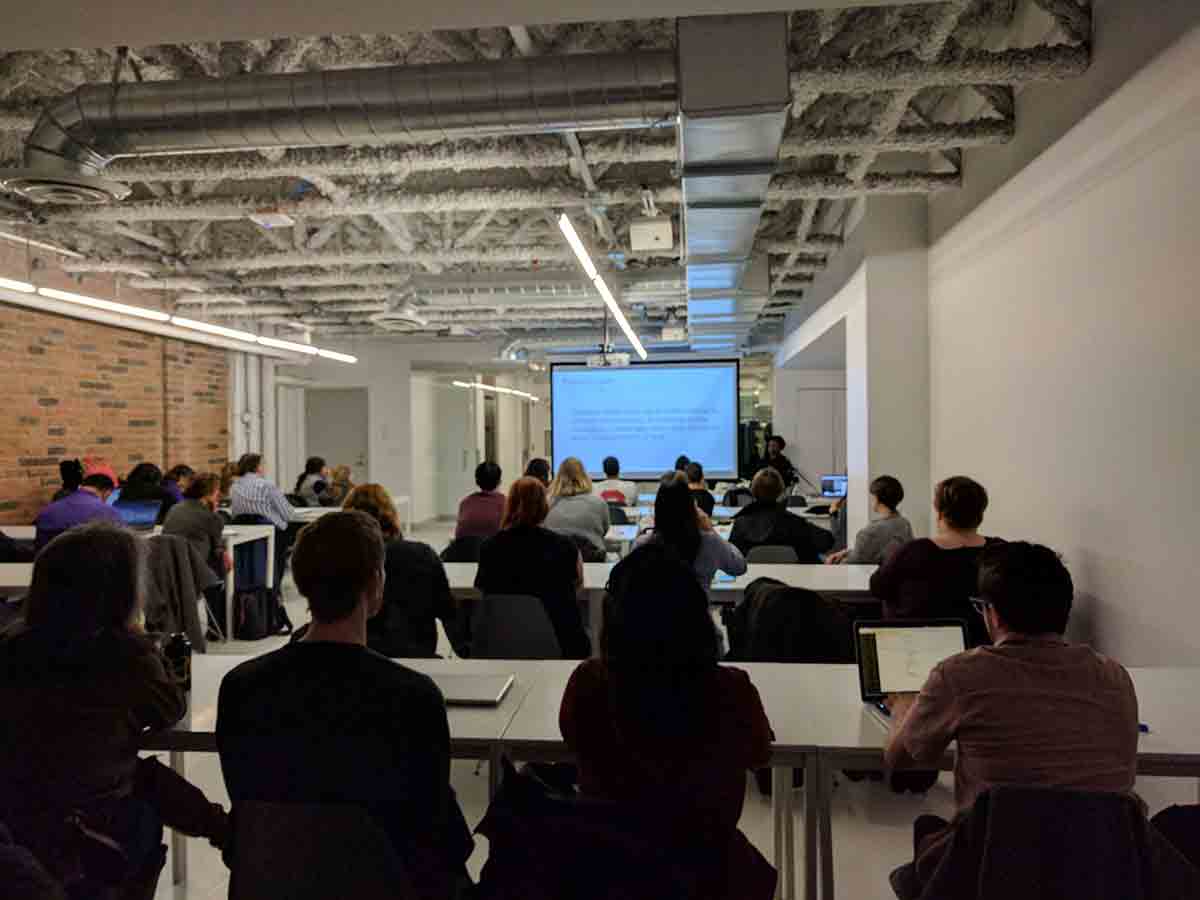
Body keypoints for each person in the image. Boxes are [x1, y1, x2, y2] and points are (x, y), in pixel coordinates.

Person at [217, 512, 473, 899]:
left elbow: (250, 807)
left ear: (302, 584)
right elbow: (439, 833)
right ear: (375, 584)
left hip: (271, 883)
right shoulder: (412, 696)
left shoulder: (240, 687)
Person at [885, 542, 1138, 887]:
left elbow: (902, 759)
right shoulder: (1114, 676)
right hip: (1102, 871)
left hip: (991, 868)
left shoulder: (959, 675)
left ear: (994, 615)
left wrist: (903, 711)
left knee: (925, 844)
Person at [0, 524, 228, 895]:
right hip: (96, 822)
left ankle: (225, 831)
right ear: (120, 593)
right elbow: (169, 711)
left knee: (144, 776)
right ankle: (228, 834)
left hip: (22, 814)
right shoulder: (125, 654)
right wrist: (146, 646)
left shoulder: (12, 644)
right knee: (147, 782)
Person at [560, 543, 775, 899]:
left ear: (614, 617)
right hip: (707, 869)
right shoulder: (730, 687)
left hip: (610, 867)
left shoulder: (589, 682)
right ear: (698, 617)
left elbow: (573, 742)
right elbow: (759, 754)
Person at [870, 475, 1003, 645]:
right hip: (983, 648)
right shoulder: (1000, 552)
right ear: (980, 513)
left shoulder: (913, 551)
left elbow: (878, 587)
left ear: (940, 513)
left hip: (920, 649)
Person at [344, 483, 462, 658]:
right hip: (418, 658)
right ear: (390, 516)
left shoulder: (341, 559)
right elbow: (447, 612)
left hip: (358, 660)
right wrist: (465, 649)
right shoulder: (422, 555)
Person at [475, 477, 589, 658]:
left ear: (510, 505)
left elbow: (484, 591)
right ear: (544, 506)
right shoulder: (565, 546)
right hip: (561, 642)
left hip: (500, 641)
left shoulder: (489, 547)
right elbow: (578, 586)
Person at [636, 474, 746, 590]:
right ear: (693, 507)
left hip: (655, 607)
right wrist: (711, 529)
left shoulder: (642, 544)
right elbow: (740, 566)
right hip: (697, 607)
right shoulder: (709, 542)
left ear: (657, 509)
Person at [729, 468, 833, 563]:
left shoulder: (740, 523)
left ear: (753, 491)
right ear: (781, 492)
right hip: (793, 580)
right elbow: (827, 542)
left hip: (749, 581)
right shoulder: (795, 522)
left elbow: (732, 559)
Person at [825, 475, 914, 565]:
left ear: (877, 499)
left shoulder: (870, 532)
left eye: (872, 497)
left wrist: (833, 563)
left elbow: (852, 564)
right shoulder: (904, 524)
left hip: (875, 577)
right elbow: (871, 552)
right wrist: (846, 553)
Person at [162, 473, 232, 579]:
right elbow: (217, 550)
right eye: (216, 491)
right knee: (224, 560)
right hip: (195, 570)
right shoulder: (212, 518)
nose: (218, 495)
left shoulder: (174, 508)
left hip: (169, 568)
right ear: (208, 494)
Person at [34, 467, 122, 550]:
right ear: (107, 492)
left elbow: (40, 548)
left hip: (52, 564)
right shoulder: (109, 513)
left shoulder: (48, 511)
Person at [545, 456, 611, 560]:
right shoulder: (598, 502)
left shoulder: (547, 503)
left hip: (555, 560)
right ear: (584, 475)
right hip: (592, 558)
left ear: (559, 476)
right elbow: (605, 530)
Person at [230, 453, 295, 531]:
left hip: (244, 533)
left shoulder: (234, 487)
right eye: (264, 464)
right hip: (271, 532)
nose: (266, 467)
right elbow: (288, 515)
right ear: (258, 467)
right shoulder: (267, 485)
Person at [456, 461, 506, 540]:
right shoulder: (506, 503)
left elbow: (459, 535)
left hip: (468, 550)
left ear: (477, 481)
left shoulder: (465, 503)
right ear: (499, 481)